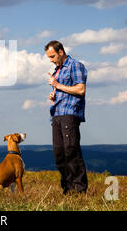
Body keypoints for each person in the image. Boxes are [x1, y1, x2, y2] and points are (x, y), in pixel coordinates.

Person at [45, 40, 88, 194]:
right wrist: (54, 95)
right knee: (59, 153)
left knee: (71, 150)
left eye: (52, 56)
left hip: (69, 113)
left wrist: (57, 85)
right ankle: (68, 189)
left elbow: (80, 89)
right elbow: (64, 90)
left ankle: (80, 190)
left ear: (61, 52)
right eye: (49, 57)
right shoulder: (58, 70)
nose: (51, 60)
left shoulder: (75, 66)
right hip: (56, 114)